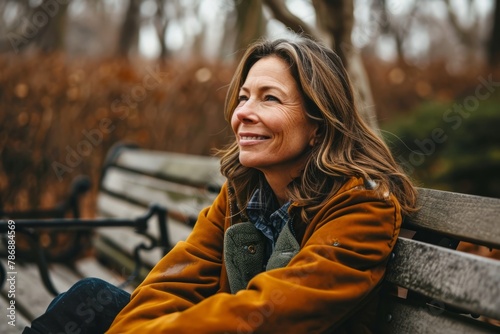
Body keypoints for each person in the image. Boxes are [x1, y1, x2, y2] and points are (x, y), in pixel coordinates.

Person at [23, 35, 416, 334]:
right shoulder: (243, 195)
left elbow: (265, 313)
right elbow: (171, 283)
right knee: (89, 297)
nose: (243, 112)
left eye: (269, 99)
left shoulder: (364, 207)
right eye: (243, 97)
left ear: (318, 125)